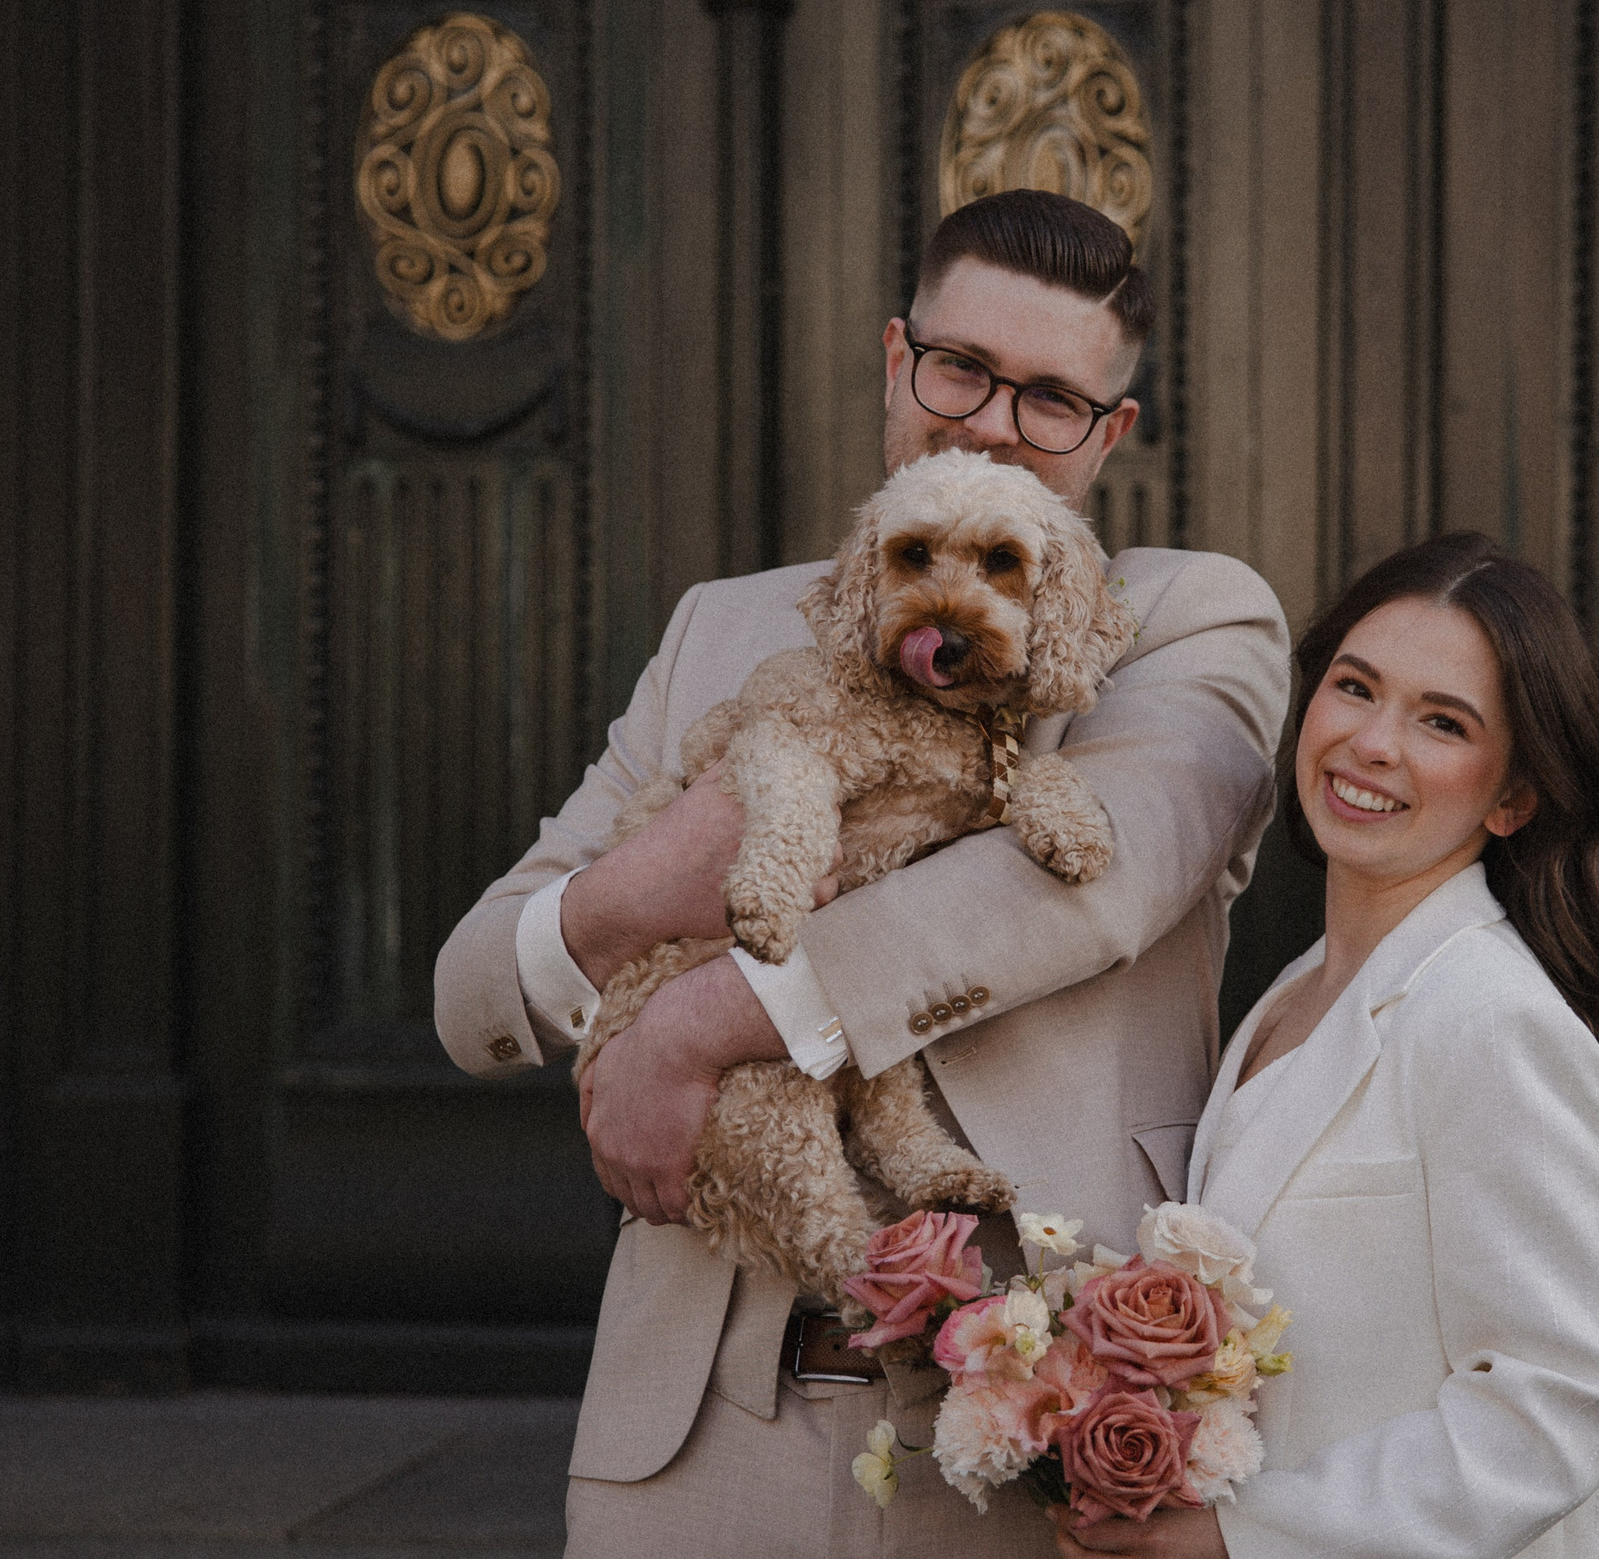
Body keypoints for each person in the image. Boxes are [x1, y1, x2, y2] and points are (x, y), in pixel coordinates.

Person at [433, 190, 1291, 1558]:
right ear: (900, 359)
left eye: (1053, 397)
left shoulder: (1190, 619)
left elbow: (1097, 882)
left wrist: (687, 1029)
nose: (995, 421)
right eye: (962, 368)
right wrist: (631, 896)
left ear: (1111, 432)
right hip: (697, 1435)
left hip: (1030, 1420)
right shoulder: (723, 628)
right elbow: (476, 981)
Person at [1053, 531, 1599, 1559]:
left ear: (1513, 796)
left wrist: (1241, 1535)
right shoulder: (1295, 987)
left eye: (1442, 721)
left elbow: (1562, 1406)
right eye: (1355, 686)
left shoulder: (1495, 1020)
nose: (1373, 741)